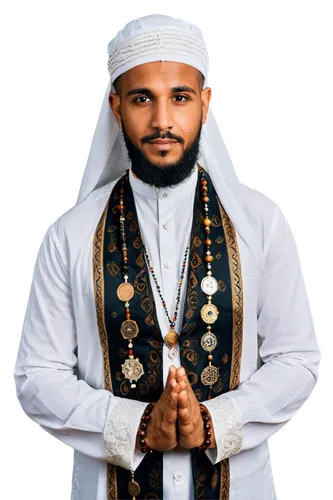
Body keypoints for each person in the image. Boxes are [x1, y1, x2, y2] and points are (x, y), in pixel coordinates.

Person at [12, 12, 322, 500]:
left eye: (179, 97)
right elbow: (35, 376)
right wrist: (135, 427)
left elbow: (299, 360)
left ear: (205, 103)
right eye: (142, 99)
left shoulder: (260, 224)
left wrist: (213, 422)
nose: (162, 121)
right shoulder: (70, 234)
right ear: (116, 107)